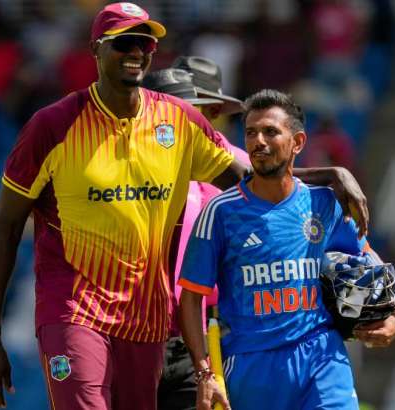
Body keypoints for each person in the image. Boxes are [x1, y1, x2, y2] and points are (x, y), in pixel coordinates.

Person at [0, 3, 370, 410]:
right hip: (74, 311)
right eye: (124, 42)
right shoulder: (52, 127)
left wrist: (327, 175)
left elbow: (253, 180)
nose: (137, 51)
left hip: (149, 323)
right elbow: (5, 226)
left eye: (145, 43)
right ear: (96, 50)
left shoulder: (178, 121)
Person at [178, 89, 395, 410]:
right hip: (252, 364)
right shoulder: (220, 212)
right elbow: (190, 298)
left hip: (321, 354)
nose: (259, 141)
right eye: (251, 132)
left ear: (297, 142)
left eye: (271, 131)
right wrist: (205, 373)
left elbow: (367, 258)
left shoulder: (325, 203)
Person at [143, 56, 250, 410]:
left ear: (214, 109)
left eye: (190, 106)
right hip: (140, 329)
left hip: (212, 330)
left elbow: (285, 193)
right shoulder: (134, 163)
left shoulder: (236, 166)